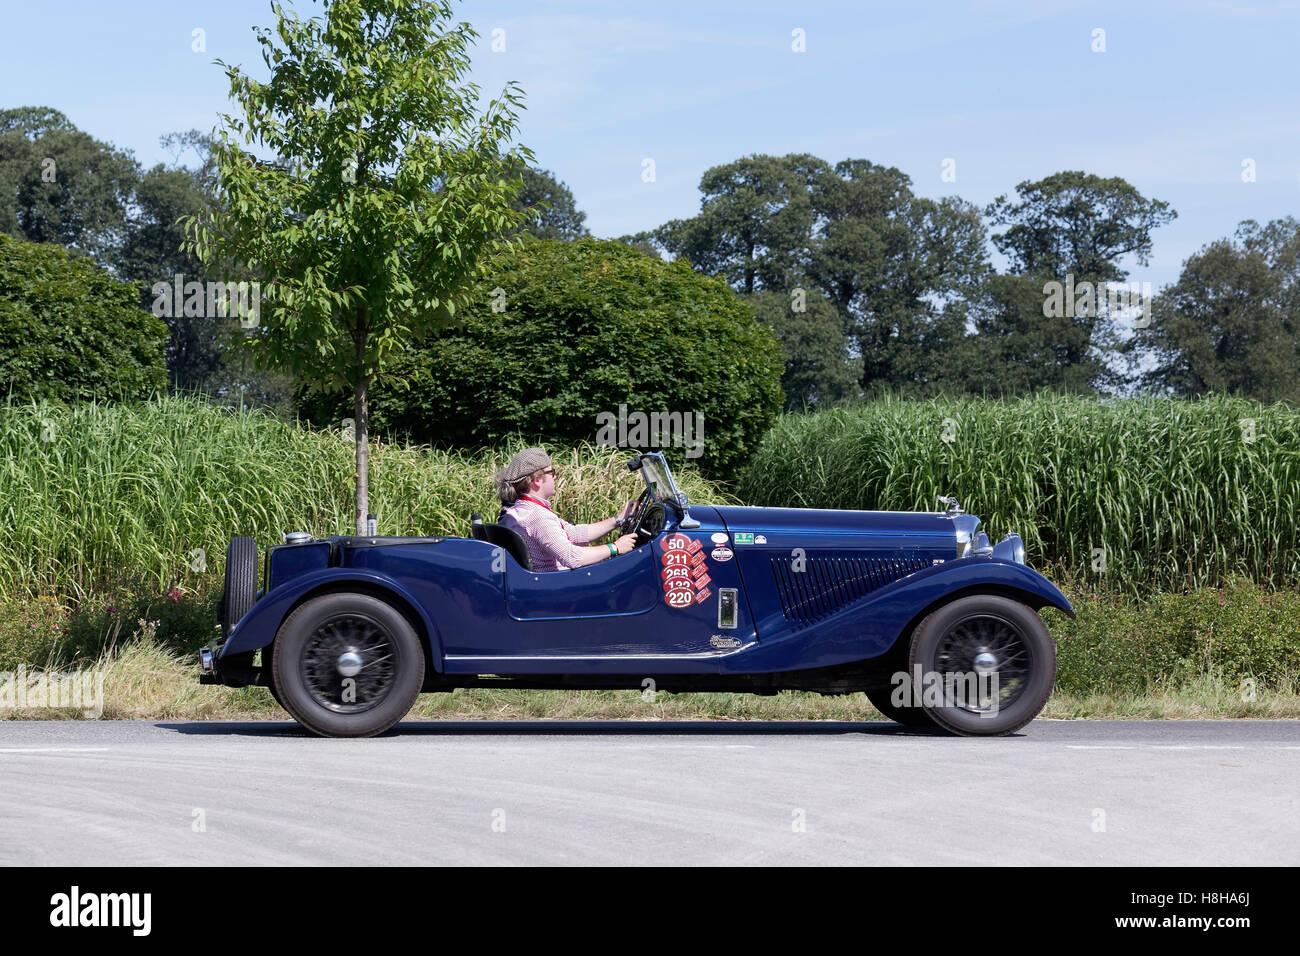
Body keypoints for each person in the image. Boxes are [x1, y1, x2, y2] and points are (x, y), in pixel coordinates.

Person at [494, 447, 637, 572]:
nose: (555, 477)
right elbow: (571, 557)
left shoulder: (523, 509)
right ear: (537, 480)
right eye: (552, 472)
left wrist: (619, 518)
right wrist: (616, 547)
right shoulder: (536, 516)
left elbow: (574, 534)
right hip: (556, 587)